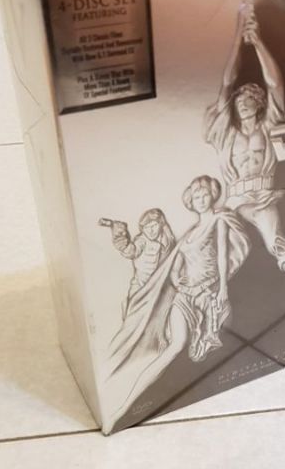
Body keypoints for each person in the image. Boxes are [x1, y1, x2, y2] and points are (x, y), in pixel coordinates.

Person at [204, 2, 285, 308]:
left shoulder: (268, 125)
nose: (242, 102)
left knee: (276, 241)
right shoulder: (224, 131)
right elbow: (227, 82)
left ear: (259, 104)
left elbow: (275, 83)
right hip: (233, 200)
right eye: (239, 100)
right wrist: (238, 35)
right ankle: (210, 301)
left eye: (249, 99)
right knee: (214, 243)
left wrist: (257, 41)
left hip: (261, 196)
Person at [105, 175, 249, 429]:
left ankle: (139, 403)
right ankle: (123, 407)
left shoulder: (219, 221)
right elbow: (174, 268)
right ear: (190, 201)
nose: (201, 199)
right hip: (185, 296)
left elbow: (223, 257)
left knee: (204, 346)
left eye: (205, 194)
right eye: (196, 196)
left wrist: (222, 290)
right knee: (174, 346)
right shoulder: (188, 234)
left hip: (208, 295)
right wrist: (178, 282)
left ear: (213, 195)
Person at [109, 208, 175, 316]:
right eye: (147, 228)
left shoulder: (167, 239)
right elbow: (132, 251)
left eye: (154, 226)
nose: (151, 231)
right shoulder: (142, 240)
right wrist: (122, 242)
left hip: (161, 284)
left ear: (161, 224)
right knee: (133, 311)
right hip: (141, 284)